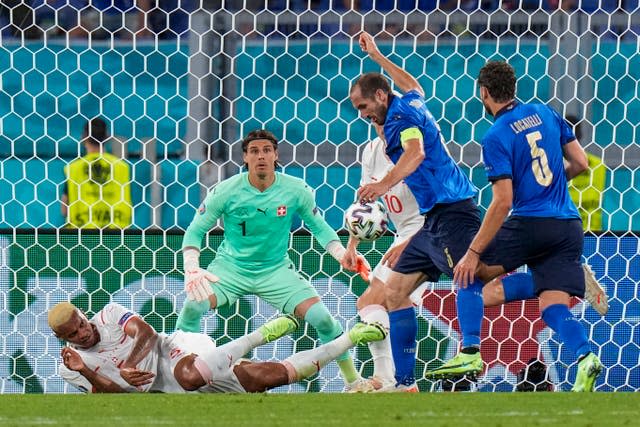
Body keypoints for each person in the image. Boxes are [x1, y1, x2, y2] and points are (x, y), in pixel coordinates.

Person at [349, 31, 492, 392]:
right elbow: (412, 83)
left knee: (481, 281)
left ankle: (554, 278)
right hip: (433, 220)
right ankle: (404, 384)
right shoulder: (408, 102)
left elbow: (415, 154)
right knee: (394, 294)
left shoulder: (399, 122)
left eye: (363, 106)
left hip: (453, 210)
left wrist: (382, 186)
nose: (361, 114)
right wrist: (379, 56)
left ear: (380, 97)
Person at [449, 60, 603, 392]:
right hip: (568, 225)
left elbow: (502, 201)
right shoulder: (546, 112)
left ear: (484, 92)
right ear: (513, 88)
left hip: (531, 222)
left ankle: (471, 353)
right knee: (553, 307)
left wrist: (474, 252)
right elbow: (579, 161)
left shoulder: (496, 134)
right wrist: (549, 186)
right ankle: (586, 357)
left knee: (468, 274)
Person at [175, 129, 370, 390]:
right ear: (245, 157)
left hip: (276, 271)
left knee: (323, 320)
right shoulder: (226, 191)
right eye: (254, 151)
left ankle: (353, 382)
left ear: (276, 155)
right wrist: (191, 267)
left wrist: (341, 254)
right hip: (230, 269)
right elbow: (195, 230)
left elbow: (319, 227)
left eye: (267, 150)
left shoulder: (295, 190)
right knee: (192, 306)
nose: (261, 156)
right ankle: (176, 373)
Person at [48, 301, 386, 393]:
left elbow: (146, 333)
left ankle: (261, 334)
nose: (83, 330)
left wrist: (127, 364)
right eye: (74, 333)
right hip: (172, 389)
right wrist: (88, 372)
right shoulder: (71, 365)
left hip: (175, 349)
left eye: (81, 321)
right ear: (65, 339)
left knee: (188, 374)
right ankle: (351, 338)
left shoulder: (108, 313)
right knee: (265, 378)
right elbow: (110, 396)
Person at [61, 117, 132, 229]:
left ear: (83, 137)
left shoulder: (74, 168)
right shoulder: (121, 167)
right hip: (115, 235)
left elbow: (64, 209)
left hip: (81, 235)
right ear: (107, 137)